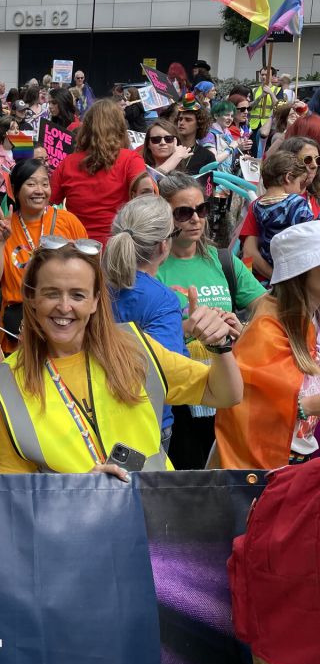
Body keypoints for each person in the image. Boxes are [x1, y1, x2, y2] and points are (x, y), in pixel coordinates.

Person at [0, 236, 242, 475]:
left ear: (96, 301)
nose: (64, 306)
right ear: (32, 298)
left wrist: (219, 346)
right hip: (74, 522)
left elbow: (225, 393)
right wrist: (82, 489)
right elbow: (15, 492)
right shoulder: (8, 382)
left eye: (77, 295)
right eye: (51, 293)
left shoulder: (135, 348)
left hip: (156, 514)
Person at [157, 172, 266, 468]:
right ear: (164, 216)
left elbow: (266, 310)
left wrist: (241, 329)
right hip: (178, 398)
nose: (195, 219)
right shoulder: (151, 268)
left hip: (228, 393)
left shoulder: (222, 260)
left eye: (201, 209)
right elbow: (137, 340)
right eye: (183, 212)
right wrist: (185, 331)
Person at [216, 222, 320, 469]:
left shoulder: (311, 318)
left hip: (301, 455)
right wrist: (311, 406)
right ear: (302, 271)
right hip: (271, 466)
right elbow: (248, 409)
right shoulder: (267, 328)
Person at [104, 195, 188, 451]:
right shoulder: (163, 299)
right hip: (146, 420)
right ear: (164, 246)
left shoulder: (91, 284)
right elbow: (169, 373)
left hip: (94, 413)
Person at [0, 157, 86, 345]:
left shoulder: (69, 222)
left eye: (45, 184)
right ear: (15, 189)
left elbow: (88, 273)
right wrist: (0, 243)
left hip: (62, 320)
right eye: (31, 184)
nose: (40, 190)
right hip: (19, 328)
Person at [50, 100, 147, 244]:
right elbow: (147, 194)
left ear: (86, 128)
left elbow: (48, 200)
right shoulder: (131, 159)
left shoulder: (68, 163)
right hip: (118, 249)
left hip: (78, 249)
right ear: (120, 127)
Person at [241, 135, 320, 279]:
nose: (314, 165)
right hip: (273, 285)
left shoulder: (316, 200)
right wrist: (281, 282)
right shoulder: (261, 203)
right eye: (308, 160)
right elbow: (249, 254)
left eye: (317, 159)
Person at [251, 149, 314, 272]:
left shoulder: (256, 205)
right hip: (294, 267)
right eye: (299, 183)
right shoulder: (295, 203)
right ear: (288, 177)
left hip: (272, 264)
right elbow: (311, 234)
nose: (299, 189)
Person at [173, 96, 215, 174]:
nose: (181, 123)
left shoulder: (207, 157)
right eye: (180, 119)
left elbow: (210, 185)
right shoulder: (168, 149)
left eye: (188, 120)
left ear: (198, 124)